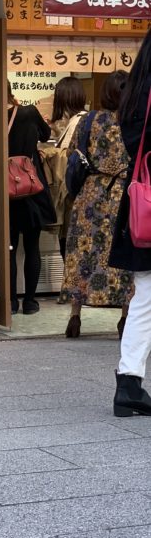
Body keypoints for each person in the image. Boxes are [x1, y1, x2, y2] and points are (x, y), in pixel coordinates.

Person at [61, 71, 133, 338]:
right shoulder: (133, 122)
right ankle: (125, 317)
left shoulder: (89, 120)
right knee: (124, 257)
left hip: (91, 194)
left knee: (83, 255)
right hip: (124, 196)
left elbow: (73, 156)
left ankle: (75, 316)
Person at [110, 30, 151, 416]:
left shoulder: (136, 94)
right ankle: (129, 383)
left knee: (146, 297)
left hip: (143, 205)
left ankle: (130, 383)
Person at [7, 82, 56, 315]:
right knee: (32, 246)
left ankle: (10, 303)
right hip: (31, 187)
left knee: (9, 247)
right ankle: (29, 301)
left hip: (5, 190)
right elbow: (46, 135)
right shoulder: (28, 112)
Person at [49, 76, 87, 261]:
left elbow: (68, 159)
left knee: (70, 250)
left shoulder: (77, 123)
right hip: (77, 198)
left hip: (74, 198)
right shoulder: (81, 120)